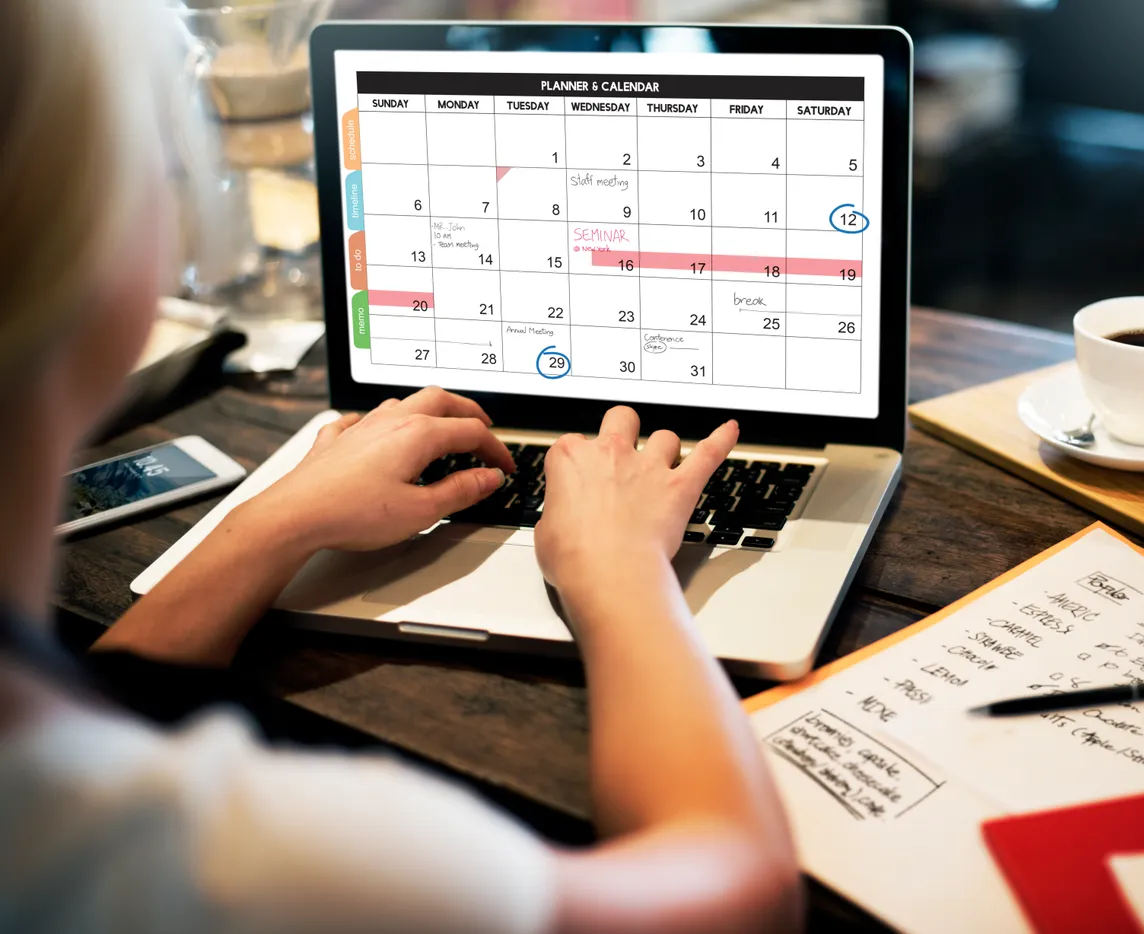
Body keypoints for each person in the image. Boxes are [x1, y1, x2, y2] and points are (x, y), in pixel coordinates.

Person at [0, 1, 801, 931]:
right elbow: (740, 894)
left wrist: (274, 521)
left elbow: (110, 703)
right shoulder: (252, 859)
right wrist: (619, 572)